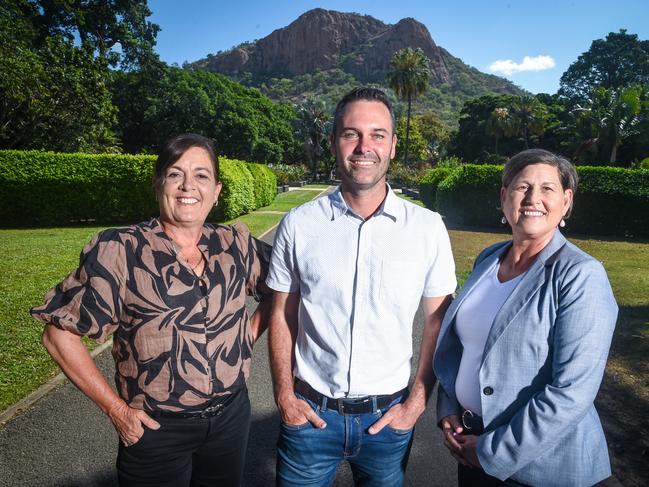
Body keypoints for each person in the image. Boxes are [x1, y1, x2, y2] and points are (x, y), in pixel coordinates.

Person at [30, 133, 272, 487]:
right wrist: (117, 411)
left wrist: (246, 336)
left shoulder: (234, 243)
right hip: (157, 431)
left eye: (202, 175)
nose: (188, 185)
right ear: (157, 184)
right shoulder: (122, 250)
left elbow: (283, 287)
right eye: (175, 174)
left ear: (217, 190)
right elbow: (58, 335)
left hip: (231, 420)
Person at [266, 87, 457, 486]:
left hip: (388, 423)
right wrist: (284, 396)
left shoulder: (427, 228)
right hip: (309, 417)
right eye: (351, 134)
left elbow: (439, 322)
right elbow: (282, 314)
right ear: (335, 141)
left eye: (378, 134)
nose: (364, 146)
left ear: (392, 145)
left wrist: (416, 403)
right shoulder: (299, 224)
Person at [433, 149, 618, 487]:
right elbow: (463, 346)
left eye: (547, 188)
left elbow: (572, 391)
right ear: (505, 198)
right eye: (522, 187)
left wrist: (491, 452)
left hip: (538, 467)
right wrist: (448, 409)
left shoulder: (580, 275)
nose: (534, 198)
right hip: (469, 446)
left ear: (566, 202)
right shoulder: (489, 258)